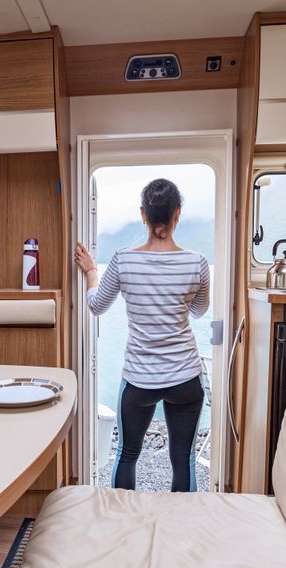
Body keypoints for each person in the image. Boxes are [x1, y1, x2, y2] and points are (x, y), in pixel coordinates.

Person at [74, 178, 210, 492]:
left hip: (139, 380)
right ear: (178, 214)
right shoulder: (198, 263)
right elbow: (199, 311)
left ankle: (123, 527)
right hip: (186, 378)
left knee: (127, 454)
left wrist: (92, 271)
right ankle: (182, 530)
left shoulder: (123, 260)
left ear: (143, 215)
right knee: (183, 458)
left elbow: (95, 305)